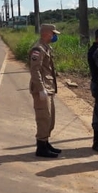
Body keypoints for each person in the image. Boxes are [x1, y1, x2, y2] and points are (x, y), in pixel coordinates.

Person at [29, 24, 61, 158]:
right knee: (43, 118)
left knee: (50, 118)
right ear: (46, 33)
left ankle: (46, 142)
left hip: (49, 87)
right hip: (41, 89)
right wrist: (41, 89)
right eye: (53, 33)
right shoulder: (38, 49)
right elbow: (35, 70)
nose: (55, 36)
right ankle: (41, 147)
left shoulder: (46, 47)